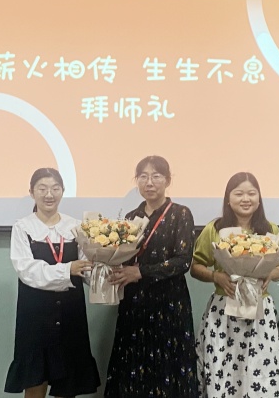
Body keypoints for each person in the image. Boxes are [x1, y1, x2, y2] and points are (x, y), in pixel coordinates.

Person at [105, 155, 198, 397]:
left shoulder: (181, 214)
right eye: (143, 177)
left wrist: (142, 272)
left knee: (168, 365)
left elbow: (183, 260)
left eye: (156, 176)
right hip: (135, 303)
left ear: (167, 180)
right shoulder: (130, 218)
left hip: (169, 304)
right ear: (136, 180)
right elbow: (123, 256)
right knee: (134, 364)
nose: (149, 182)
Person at [4, 168, 100, 398]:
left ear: (63, 191)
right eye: (42, 189)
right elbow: (26, 270)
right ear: (32, 192)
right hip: (35, 316)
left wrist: (107, 271)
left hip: (70, 313)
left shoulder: (76, 227)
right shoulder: (23, 227)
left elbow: (87, 268)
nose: (49, 194)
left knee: (69, 384)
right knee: (35, 380)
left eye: (55, 188)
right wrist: (67, 269)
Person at [191, 172, 279, 397]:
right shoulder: (214, 229)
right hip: (223, 311)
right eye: (239, 193)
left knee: (261, 372)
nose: (246, 199)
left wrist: (271, 274)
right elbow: (195, 266)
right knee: (223, 372)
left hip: (260, 312)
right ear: (228, 198)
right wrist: (216, 277)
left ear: (259, 199)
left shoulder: (270, 230)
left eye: (252, 193)